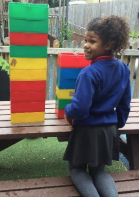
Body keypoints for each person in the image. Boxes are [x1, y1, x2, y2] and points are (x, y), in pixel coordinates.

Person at [63, 15, 131, 197]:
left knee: (77, 170)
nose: (86, 44)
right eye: (86, 40)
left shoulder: (89, 73)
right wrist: (118, 123)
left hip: (87, 130)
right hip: (109, 130)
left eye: (92, 41)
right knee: (99, 171)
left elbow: (79, 109)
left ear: (108, 45)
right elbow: (125, 104)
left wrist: (67, 110)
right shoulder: (124, 69)